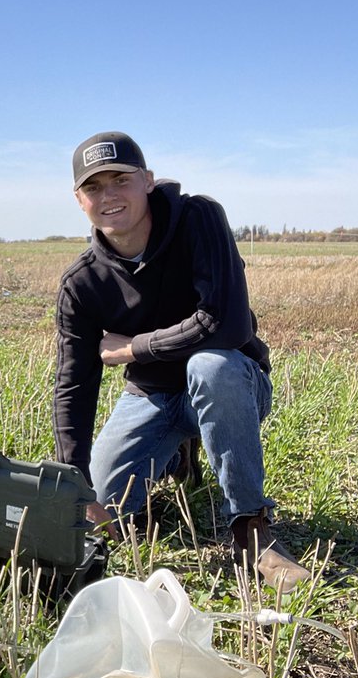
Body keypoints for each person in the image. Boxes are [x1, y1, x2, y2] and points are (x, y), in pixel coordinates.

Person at [52, 131, 310, 591]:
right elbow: (74, 383)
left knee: (209, 366)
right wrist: (77, 487)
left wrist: (133, 348)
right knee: (102, 507)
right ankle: (177, 458)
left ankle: (251, 529)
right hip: (151, 396)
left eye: (121, 180)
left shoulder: (199, 219)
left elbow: (227, 325)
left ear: (148, 180)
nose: (109, 196)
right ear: (79, 200)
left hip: (231, 385)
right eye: (94, 187)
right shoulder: (82, 283)